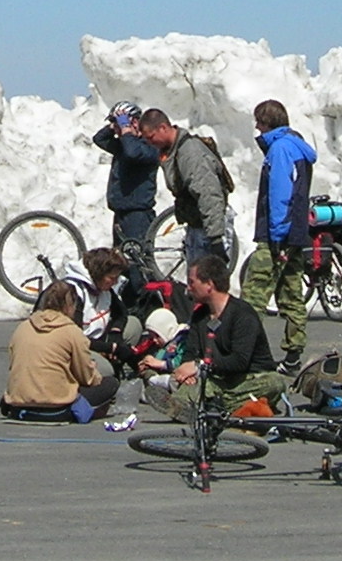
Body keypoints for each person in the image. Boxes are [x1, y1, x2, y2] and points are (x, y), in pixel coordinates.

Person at [244, 99, 315, 372]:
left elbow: (280, 195)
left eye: (259, 122)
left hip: (278, 236)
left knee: (254, 296)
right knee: (291, 293)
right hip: (295, 234)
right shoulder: (296, 144)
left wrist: (275, 237)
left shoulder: (280, 149)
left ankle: (248, 355)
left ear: (267, 123)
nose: (257, 128)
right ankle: (293, 356)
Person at [175, 250, 287, 413]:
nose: (188, 288)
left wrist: (200, 367)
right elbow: (190, 353)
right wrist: (188, 374)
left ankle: (217, 405)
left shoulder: (243, 314)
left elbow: (239, 361)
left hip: (249, 379)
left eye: (192, 283)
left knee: (275, 383)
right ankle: (222, 406)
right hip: (217, 380)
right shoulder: (199, 316)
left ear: (209, 285)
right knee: (186, 391)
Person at [2, 281, 119, 418]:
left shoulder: (22, 328)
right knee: (110, 383)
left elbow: (14, 364)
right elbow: (87, 377)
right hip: (57, 408)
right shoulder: (72, 331)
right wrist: (95, 374)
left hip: (19, 404)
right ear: (70, 306)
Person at [141, 109, 233, 270]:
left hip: (209, 230)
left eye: (151, 137)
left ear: (163, 128)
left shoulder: (190, 153)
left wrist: (216, 238)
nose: (150, 143)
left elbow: (208, 194)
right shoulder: (174, 151)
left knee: (206, 280)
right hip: (197, 225)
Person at [91, 103, 163, 270]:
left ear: (135, 123)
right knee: (121, 265)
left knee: (139, 267)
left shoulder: (149, 146)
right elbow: (99, 139)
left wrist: (126, 129)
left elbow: (132, 153)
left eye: (121, 124)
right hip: (121, 214)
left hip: (138, 215)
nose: (118, 130)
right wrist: (113, 125)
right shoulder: (124, 145)